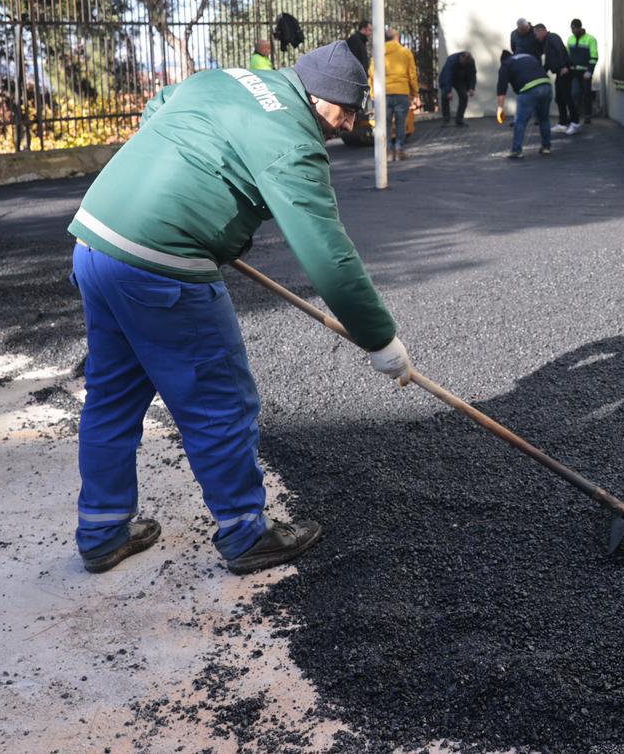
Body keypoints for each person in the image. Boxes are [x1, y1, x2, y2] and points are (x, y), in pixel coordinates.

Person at [67, 41, 414, 576]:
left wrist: (194, 186)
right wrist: (380, 340)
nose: (344, 128)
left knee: (113, 392)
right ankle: (246, 533)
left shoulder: (223, 79)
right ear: (322, 100)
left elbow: (157, 108)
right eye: (344, 114)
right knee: (219, 401)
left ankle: (101, 530)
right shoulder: (292, 141)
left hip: (94, 239)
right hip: (162, 266)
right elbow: (327, 253)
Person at [496, 48, 553, 160]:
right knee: (544, 119)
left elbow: (501, 90)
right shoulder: (528, 57)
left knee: (520, 121)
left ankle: (517, 151)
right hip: (546, 85)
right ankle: (546, 147)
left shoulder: (506, 65)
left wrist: (500, 108)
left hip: (529, 89)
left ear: (502, 60)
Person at [373, 27, 420, 161]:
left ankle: (387, 151)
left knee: (385, 123)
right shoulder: (405, 52)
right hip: (401, 92)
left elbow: (372, 73)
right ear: (397, 38)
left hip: (384, 93)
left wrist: (372, 92)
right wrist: (415, 92)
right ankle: (399, 149)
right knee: (400, 122)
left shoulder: (378, 53)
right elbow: (412, 75)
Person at [534, 23, 576, 132]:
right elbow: (549, 61)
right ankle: (563, 123)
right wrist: (541, 73)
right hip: (559, 73)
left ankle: (575, 123)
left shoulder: (553, 37)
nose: (536, 37)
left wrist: (564, 67)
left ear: (541, 30)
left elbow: (561, 50)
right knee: (559, 99)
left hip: (565, 71)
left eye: (536, 34)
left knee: (567, 98)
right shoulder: (546, 42)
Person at [567, 18, 599, 127]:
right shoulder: (570, 39)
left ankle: (587, 116)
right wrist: (569, 67)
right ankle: (574, 116)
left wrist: (590, 70)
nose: (572, 31)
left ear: (580, 28)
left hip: (585, 72)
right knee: (574, 94)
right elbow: (568, 56)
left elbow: (594, 56)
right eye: (571, 28)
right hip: (575, 72)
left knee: (586, 94)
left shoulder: (590, 39)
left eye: (574, 28)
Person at [436, 51, 476, 126]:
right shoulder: (451, 60)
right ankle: (446, 119)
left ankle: (459, 119)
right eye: (464, 63)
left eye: (466, 64)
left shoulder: (470, 62)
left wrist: (472, 87)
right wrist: (448, 91)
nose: (464, 65)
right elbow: (447, 76)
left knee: (464, 96)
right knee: (445, 95)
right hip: (448, 78)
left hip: (460, 80)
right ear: (461, 57)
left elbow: (473, 74)